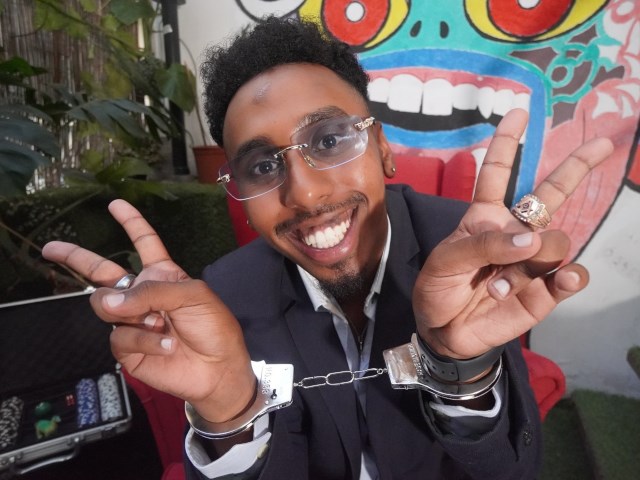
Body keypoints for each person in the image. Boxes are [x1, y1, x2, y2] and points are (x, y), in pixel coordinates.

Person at [43, 17, 613, 480]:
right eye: (262, 166)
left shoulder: (468, 257)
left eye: (330, 139)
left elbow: (510, 470)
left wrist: (461, 368)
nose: (305, 193)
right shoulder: (228, 297)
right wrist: (229, 411)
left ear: (382, 149)